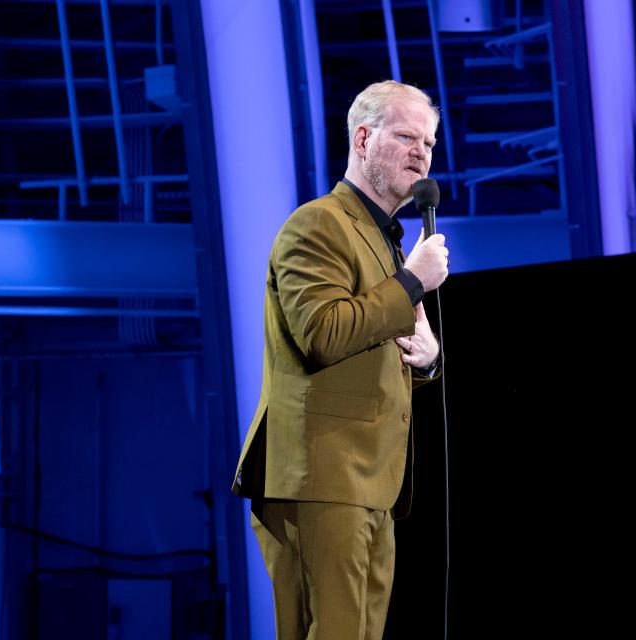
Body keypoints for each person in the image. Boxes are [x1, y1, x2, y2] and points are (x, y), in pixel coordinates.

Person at [231, 80, 449, 639]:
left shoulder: (387, 241)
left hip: (372, 483)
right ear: (362, 138)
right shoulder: (319, 224)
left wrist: (423, 361)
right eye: (405, 136)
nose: (420, 152)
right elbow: (323, 335)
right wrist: (411, 284)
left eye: (427, 142)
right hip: (322, 476)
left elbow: (366, 356)